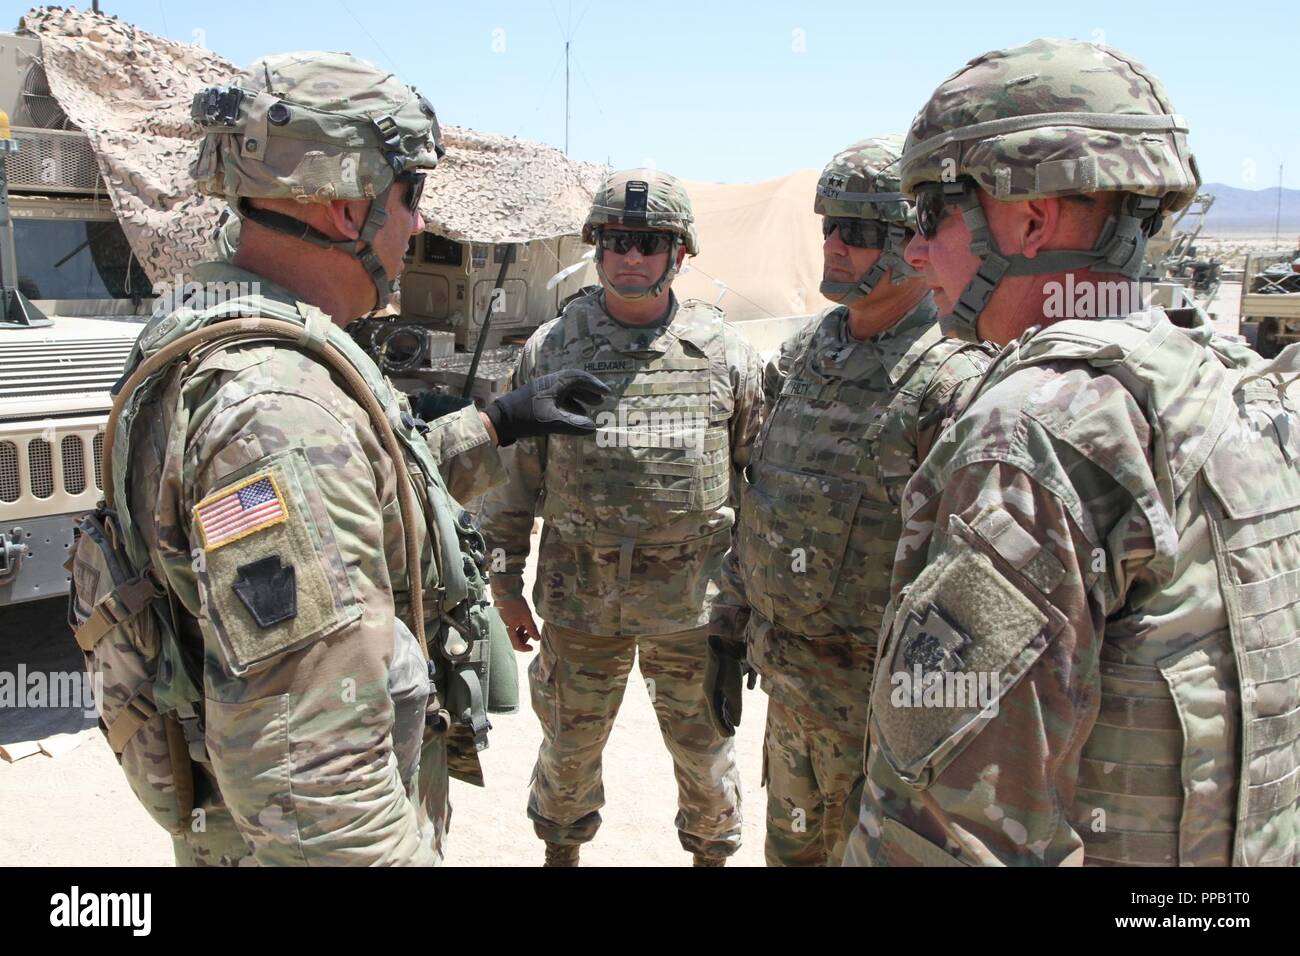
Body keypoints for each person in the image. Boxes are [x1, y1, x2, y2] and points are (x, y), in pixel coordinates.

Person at [68, 51, 604, 866]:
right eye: (409, 196)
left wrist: (493, 426)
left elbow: (371, 494)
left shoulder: (223, 330)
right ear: (346, 207)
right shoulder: (275, 409)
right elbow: (315, 794)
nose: (417, 225)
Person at [843, 37, 1300, 867]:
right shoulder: (1242, 388)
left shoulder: (1036, 430)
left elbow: (949, 826)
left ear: (1028, 216)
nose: (914, 251)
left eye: (932, 214)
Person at [705, 137, 990, 866]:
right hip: (793, 692)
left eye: (859, 233)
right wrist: (729, 621)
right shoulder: (807, 355)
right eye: (828, 225)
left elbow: (974, 581)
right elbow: (763, 493)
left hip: (884, 722)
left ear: (910, 244)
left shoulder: (953, 378)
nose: (834, 245)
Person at [478, 169, 764, 866]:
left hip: (695, 609)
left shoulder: (725, 355)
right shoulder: (551, 349)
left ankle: (710, 857)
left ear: (680, 253)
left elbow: (762, 484)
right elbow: (515, 478)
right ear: (598, 247)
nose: (631, 255)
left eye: (649, 242)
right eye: (617, 240)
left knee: (706, 761)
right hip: (580, 607)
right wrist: (505, 582)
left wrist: (757, 599)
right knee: (567, 756)